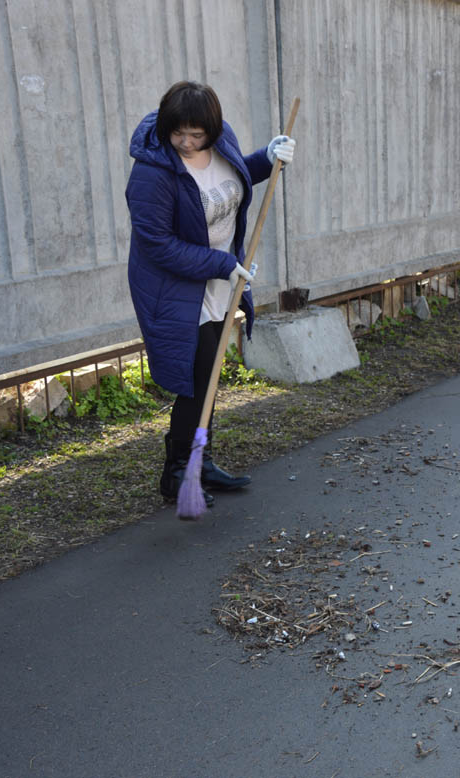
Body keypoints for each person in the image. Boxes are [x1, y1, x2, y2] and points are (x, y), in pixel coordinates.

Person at [125, 81, 296, 509]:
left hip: (219, 278)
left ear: (212, 129)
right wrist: (222, 265)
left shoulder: (223, 141)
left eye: (195, 135)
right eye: (178, 133)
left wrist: (268, 158)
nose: (185, 142)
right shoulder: (153, 170)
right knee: (197, 377)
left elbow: (236, 180)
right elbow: (157, 244)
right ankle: (177, 472)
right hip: (177, 286)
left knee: (211, 374)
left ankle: (202, 460)